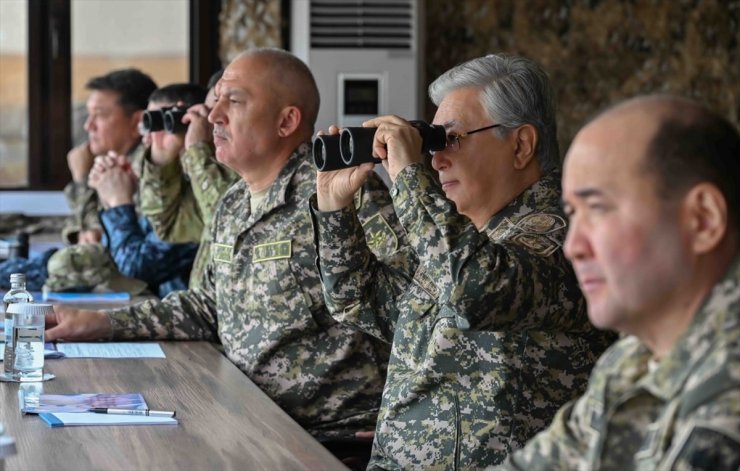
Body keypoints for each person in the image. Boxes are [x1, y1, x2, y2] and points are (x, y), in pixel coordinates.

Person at [45, 48, 396, 465]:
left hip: (328, 440)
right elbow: (209, 305)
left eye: (234, 101)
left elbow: (409, 307)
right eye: (216, 102)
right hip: (242, 418)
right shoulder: (233, 202)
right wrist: (101, 323)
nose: (213, 117)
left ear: (287, 121)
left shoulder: (344, 191)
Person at [312, 53, 615, 468]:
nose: (435, 159)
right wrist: (334, 210)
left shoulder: (566, 236)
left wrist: (407, 173)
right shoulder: (467, 236)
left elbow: (474, 289)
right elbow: (361, 304)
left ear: (521, 145)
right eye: (432, 143)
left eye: (450, 138)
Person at [498, 95, 740, 470]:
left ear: (703, 220)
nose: (573, 247)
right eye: (572, 214)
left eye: (597, 209)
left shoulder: (728, 385)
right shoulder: (630, 362)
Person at [84, 83, 204, 297]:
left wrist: (119, 203)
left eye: (165, 125)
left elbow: (134, 271)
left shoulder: (199, 197)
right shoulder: (165, 187)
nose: (149, 138)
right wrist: (109, 197)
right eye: (147, 125)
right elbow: (111, 259)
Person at [138, 69, 239, 289]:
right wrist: (162, 161)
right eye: (211, 107)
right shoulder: (203, 177)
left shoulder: (260, 182)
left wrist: (198, 151)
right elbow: (168, 228)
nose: (212, 118)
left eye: (231, 104)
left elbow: (229, 223)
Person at [63, 68, 157, 245]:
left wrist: (81, 180)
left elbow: (104, 237)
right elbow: (78, 227)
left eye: (99, 115)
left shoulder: (148, 165)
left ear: (137, 122)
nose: (88, 126)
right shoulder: (112, 161)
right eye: (88, 115)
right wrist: (80, 232)